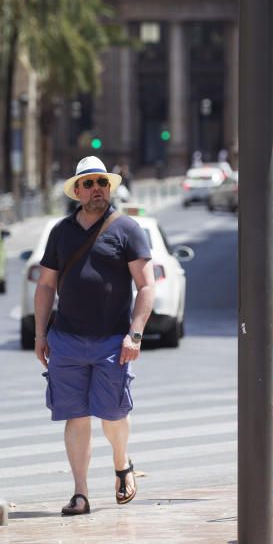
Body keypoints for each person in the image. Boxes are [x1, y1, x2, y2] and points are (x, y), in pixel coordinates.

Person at [34, 156, 155, 516]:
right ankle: (81, 494)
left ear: (108, 186)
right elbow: (45, 286)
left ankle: (121, 464)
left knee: (114, 414)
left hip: (111, 341)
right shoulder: (61, 232)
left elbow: (147, 286)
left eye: (101, 182)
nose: (96, 189)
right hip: (67, 339)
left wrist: (134, 334)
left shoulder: (126, 229)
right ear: (78, 192)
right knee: (75, 416)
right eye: (88, 184)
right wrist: (41, 334)